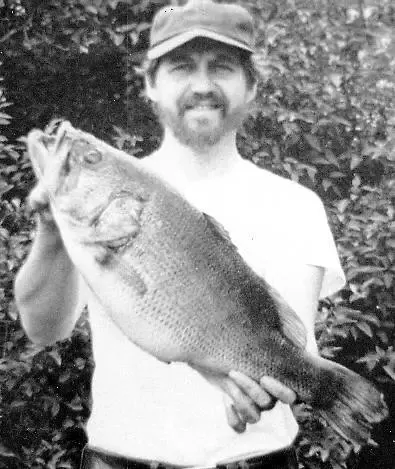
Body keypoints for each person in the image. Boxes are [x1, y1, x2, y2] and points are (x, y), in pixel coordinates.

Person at [14, 0, 346, 468]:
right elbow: (44, 329)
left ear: (251, 86)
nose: (203, 86)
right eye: (182, 67)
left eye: (223, 67)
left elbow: (288, 343)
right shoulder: (93, 216)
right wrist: (51, 228)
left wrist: (273, 384)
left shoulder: (296, 206)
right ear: (151, 83)